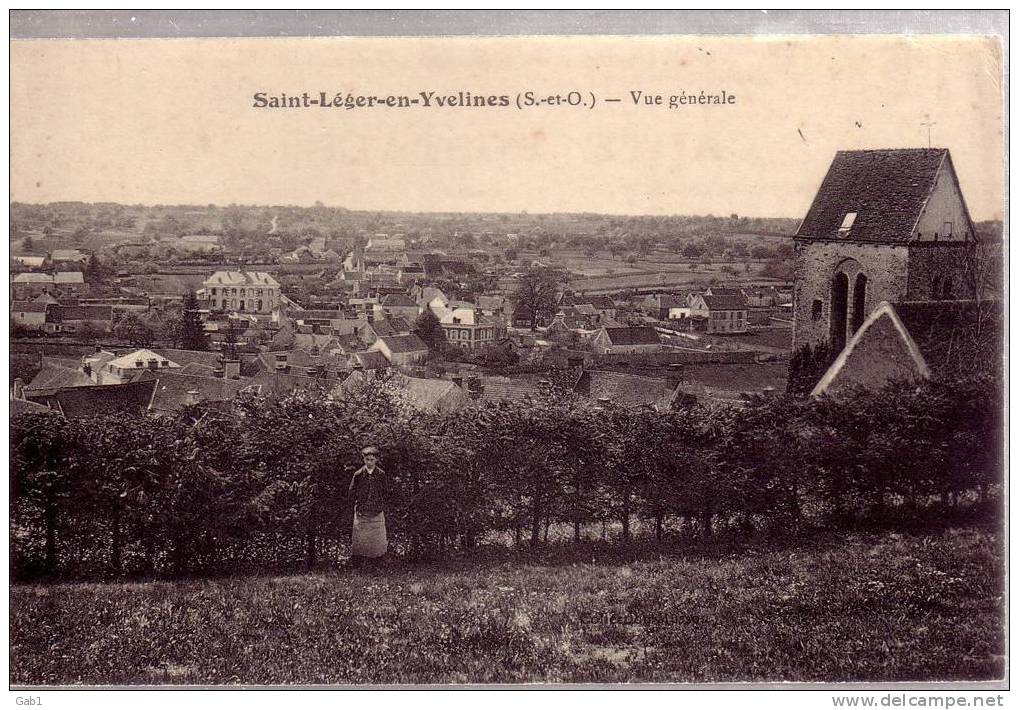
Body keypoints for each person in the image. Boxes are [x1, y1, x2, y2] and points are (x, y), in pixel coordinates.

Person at [347, 445, 388, 569]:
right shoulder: (358, 474)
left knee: (377, 541)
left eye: (372, 459)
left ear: (376, 460)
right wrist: (357, 506)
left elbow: (385, 492)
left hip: (377, 512)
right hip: (361, 512)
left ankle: (377, 566)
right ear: (363, 459)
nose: (369, 462)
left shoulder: (381, 474)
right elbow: (352, 492)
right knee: (360, 540)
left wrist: (380, 504)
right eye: (367, 459)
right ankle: (358, 567)